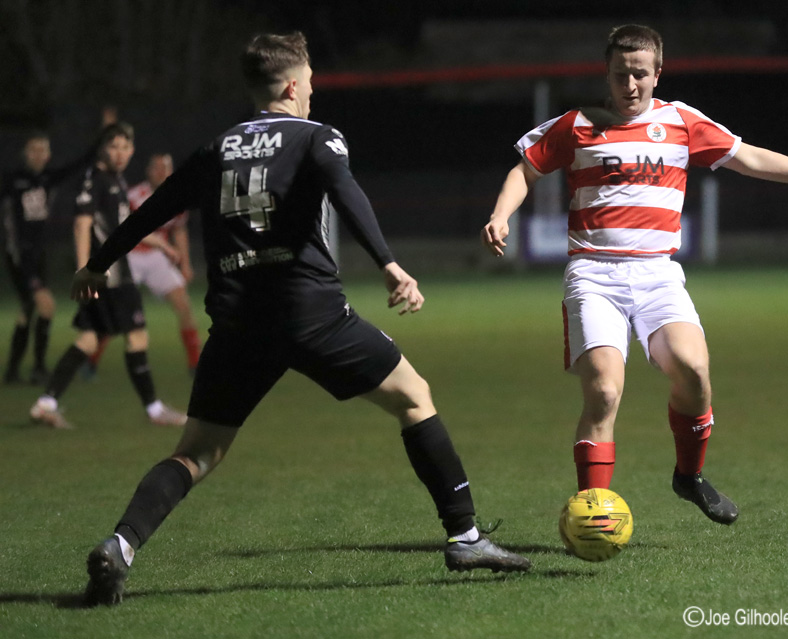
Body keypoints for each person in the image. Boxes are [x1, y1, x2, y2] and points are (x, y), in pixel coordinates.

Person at [75, 31, 530, 606]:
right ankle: (465, 536)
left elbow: (154, 209)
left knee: (196, 452)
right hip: (311, 313)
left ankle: (120, 545)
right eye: (310, 82)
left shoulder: (215, 148)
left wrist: (97, 264)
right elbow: (346, 192)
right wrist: (389, 265)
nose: (312, 91)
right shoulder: (318, 137)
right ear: (293, 85)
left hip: (238, 322)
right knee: (414, 397)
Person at [482, 24, 788, 526]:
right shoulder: (578, 124)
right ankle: (593, 512)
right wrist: (501, 215)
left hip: (657, 275)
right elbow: (525, 170)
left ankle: (689, 476)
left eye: (640, 74)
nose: (630, 85)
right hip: (594, 275)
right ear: (606, 73)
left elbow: (750, 158)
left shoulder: (681, 122)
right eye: (621, 74)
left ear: (658, 73)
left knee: (693, 370)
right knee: (604, 390)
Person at [29, 122, 188, 430]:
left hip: (107, 272)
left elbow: (124, 225)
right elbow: (82, 224)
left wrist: (160, 244)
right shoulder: (96, 179)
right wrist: (85, 269)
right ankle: (154, 410)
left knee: (89, 340)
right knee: (137, 335)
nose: (120, 153)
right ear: (102, 147)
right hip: (111, 275)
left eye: (125, 147)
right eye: (114, 146)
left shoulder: (114, 180)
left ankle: (45, 404)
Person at [86, 152, 201, 376]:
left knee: (184, 306)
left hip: (158, 258)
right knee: (114, 311)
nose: (161, 172)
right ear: (148, 171)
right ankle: (91, 361)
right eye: (156, 167)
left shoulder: (179, 196)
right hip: (130, 256)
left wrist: (185, 264)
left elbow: (179, 230)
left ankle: (195, 364)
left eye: (165, 167)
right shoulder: (133, 195)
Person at [1, 131, 95, 384]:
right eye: (34, 149)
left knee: (27, 309)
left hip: (39, 254)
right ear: (25, 153)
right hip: (20, 254)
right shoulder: (12, 181)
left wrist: (103, 135)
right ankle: (38, 368)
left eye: (43, 150)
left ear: (49, 154)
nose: (39, 154)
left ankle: (12, 372)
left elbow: (81, 162)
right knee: (47, 306)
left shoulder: (48, 179)